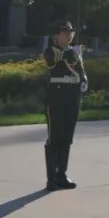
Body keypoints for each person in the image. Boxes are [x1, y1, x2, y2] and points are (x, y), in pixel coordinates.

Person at [44, 21, 88, 191]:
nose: (69, 35)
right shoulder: (52, 50)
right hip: (57, 95)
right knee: (55, 137)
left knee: (67, 137)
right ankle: (51, 178)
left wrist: (84, 80)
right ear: (57, 35)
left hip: (72, 95)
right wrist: (70, 53)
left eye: (71, 32)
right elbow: (52, 60)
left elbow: (81, 70)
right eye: (65, 32)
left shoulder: (75, 51)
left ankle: (62, 175)